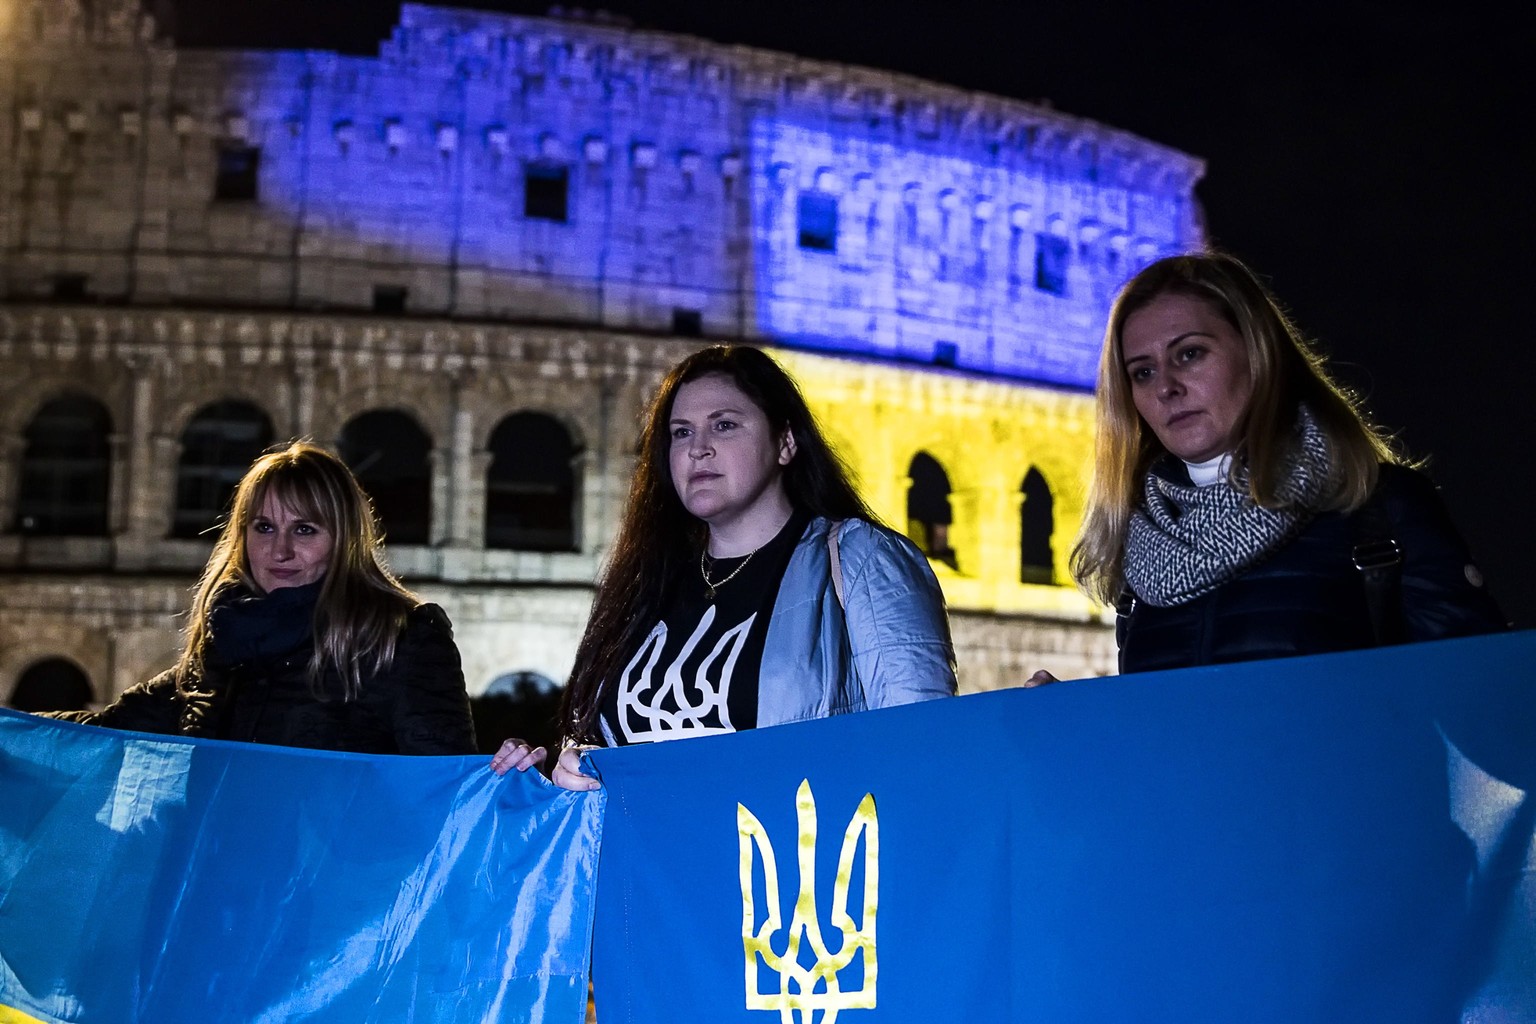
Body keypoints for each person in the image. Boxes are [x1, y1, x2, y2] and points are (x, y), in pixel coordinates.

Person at [493, 345, 957, 787]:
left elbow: (925, 747)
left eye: (725, 425)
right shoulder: (648, 583)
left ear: (786, 442)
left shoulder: (861, 559)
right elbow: (604, 740)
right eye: (681, 432)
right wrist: (569, 763)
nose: (698, 448)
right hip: (644, 863)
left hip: (786, 861)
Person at [1033, 250, 1504, 679]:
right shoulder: (1140, 549)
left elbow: (1482, 706)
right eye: (1143, 372)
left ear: (1258, 353)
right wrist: (1076, 721)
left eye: (1190, 354)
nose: (1166, 387)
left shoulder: (1380, 510)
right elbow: (1161, 738)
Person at [45, 441, 477, 754]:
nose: (280, 550)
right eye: (264, 527)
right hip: (212, 876)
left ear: (343, 539)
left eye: (305, 529)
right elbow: (103, 731)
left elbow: (444, 788)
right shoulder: (222, 649)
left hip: (330, 882)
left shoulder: (400, 640)